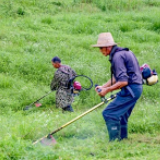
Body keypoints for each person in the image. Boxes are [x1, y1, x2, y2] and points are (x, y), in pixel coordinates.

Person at [92, 32, 143, 141]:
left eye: (101, 48)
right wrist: (104, 86)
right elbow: (117, 76)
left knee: (109, 113)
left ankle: (114, 142)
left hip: (131, 89)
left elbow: (123, 81)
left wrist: (107, 90)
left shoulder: (117, 57)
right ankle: (123, 139)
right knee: (122, 114)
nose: (100, 51)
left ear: (108, 47)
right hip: (136, 88)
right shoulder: (124, 52)